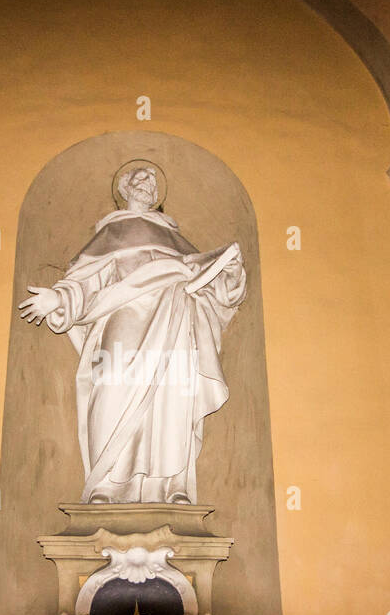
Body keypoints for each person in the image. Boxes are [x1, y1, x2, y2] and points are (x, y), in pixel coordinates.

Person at [18, 164, 245, 504]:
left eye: (152, 180)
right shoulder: (113, 233)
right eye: (139, 178)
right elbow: (87, 281)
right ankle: (105, 484)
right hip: (124, 318)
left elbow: (211, 287)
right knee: (111, 384)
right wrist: (60, 298)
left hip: (174, 320)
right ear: (124, 188)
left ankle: (171, 487)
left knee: (172, 398)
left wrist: (230, 272)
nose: (147, 184)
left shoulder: (176, 239)